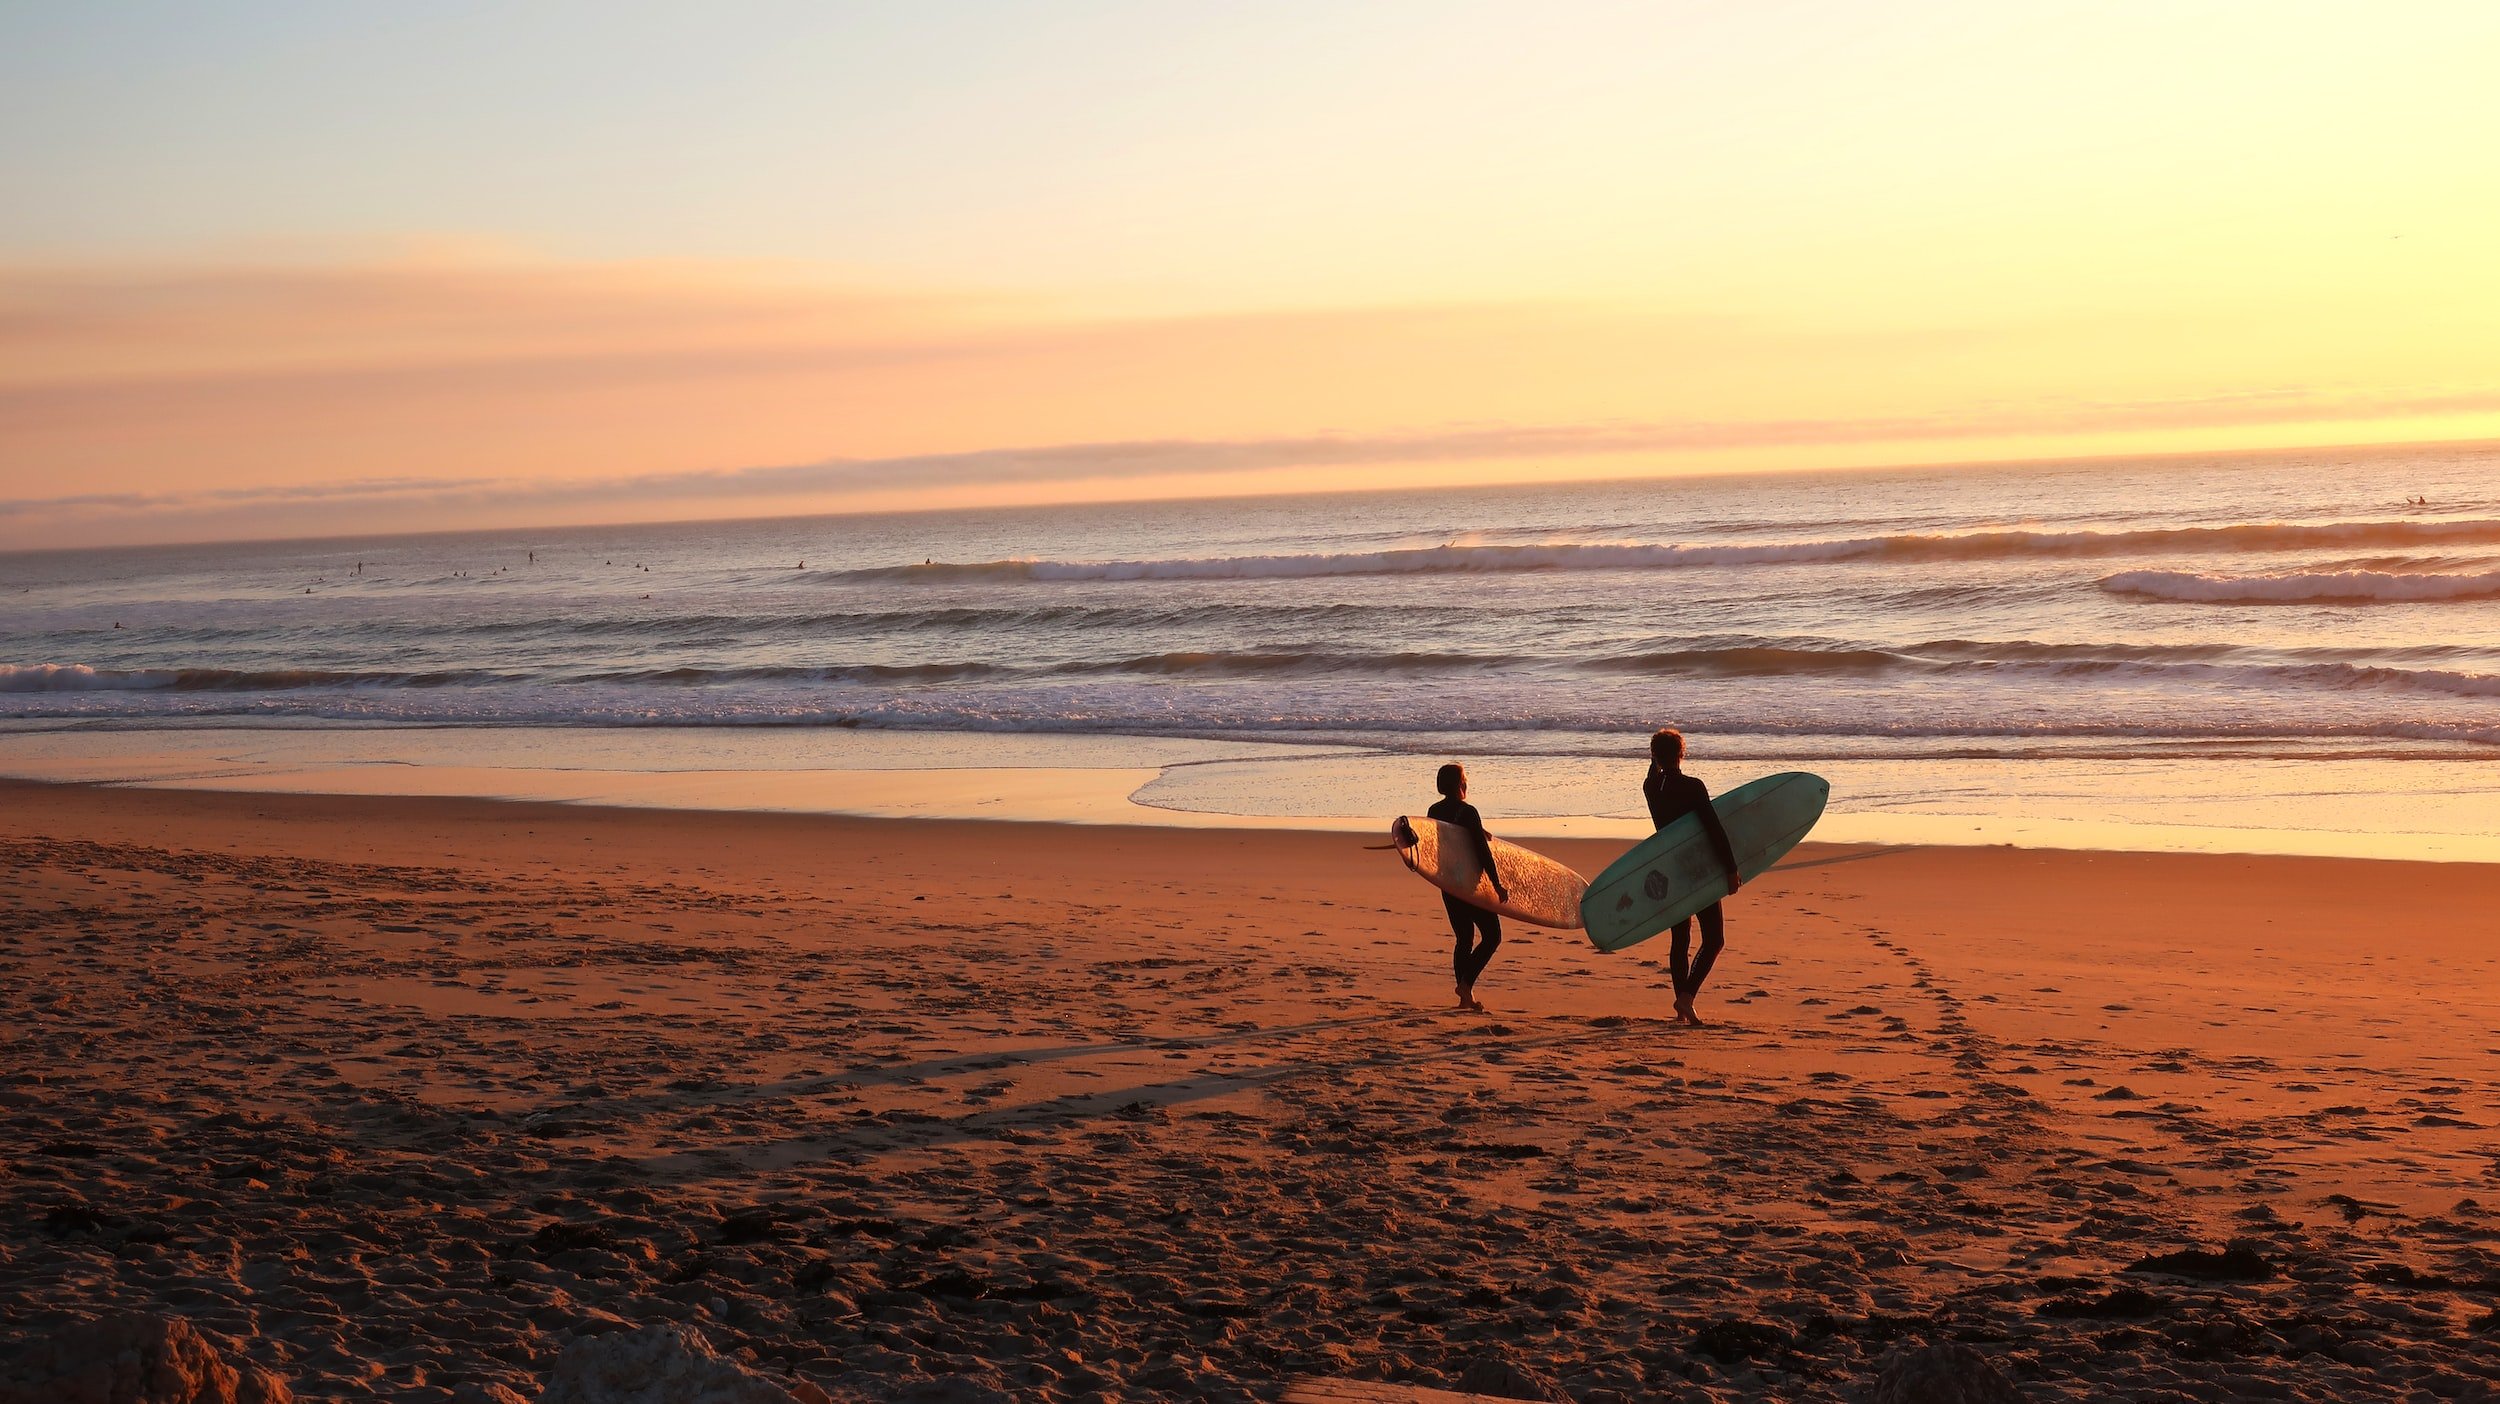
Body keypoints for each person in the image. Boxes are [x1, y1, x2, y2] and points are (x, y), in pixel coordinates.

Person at [1643, 728, 1742, 1026]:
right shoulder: (1693, 786)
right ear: (1682, 754)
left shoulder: (1650, 787)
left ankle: (1681, 1008)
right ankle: (1686, 997)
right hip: (1698, 870)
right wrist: (1730, 868)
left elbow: (1653, 773)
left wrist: (1654, 761)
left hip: (1670, 871)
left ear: (1655, 755)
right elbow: (1714, 829)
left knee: (1680, 938)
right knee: (1714, 939)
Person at [1428, 763, 1507, 1012]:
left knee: (1464, 938)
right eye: (1465, 778)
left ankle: (1465, 997)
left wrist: (1477, 829)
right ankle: (1466, 984)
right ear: (1459, 783)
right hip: (1469, 884)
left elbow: (1442, 840)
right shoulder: (1469, 811)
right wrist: (1497, 884)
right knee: (1493, 936)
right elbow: (1482, 853)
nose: (1467, 781)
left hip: (1447, 883)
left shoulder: (1434, 810)